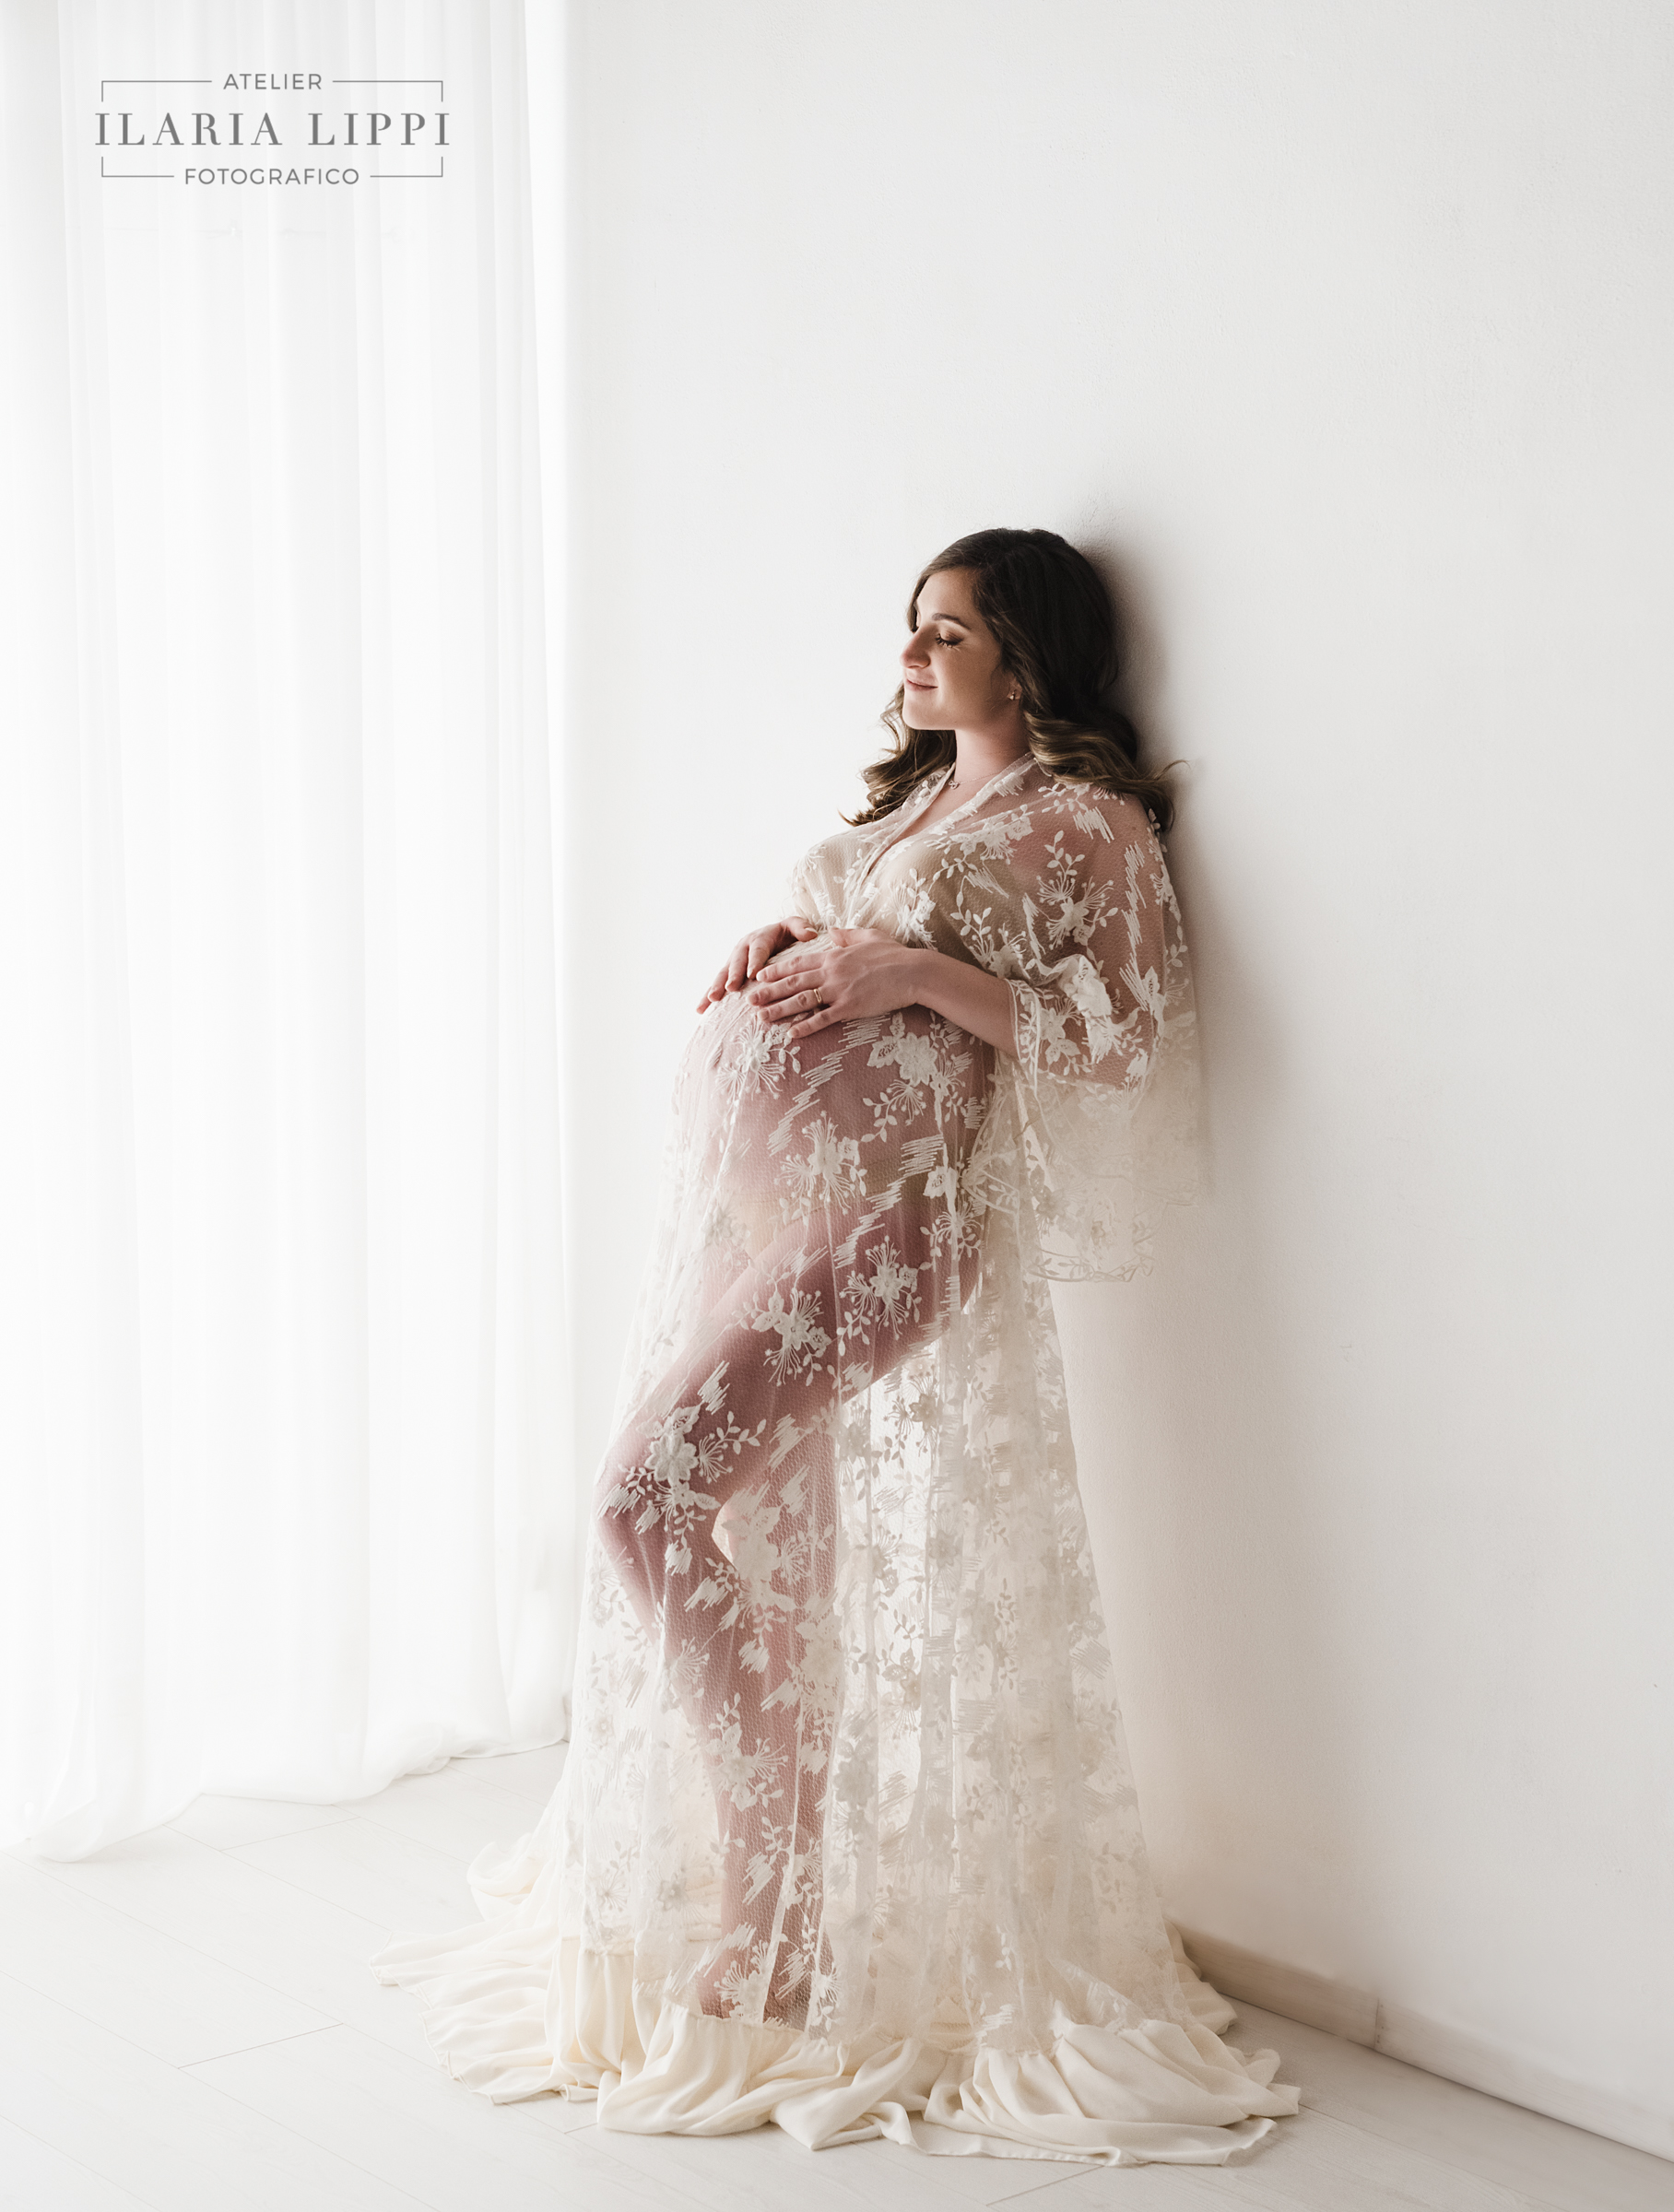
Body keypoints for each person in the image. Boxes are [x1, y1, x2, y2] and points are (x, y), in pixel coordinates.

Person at [371, 527, 1301, 2166]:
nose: (915, 653)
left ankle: (778, 1877)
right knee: (746, 1544)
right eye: (913, 625)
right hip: (766, 1217)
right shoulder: (907, 812)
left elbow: (1129, 1042)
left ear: (1028, 654)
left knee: (644, 1500)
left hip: (887, 1228)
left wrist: (916, 971)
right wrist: (781, 950)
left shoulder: (1084, 824)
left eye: (951, 631)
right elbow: (846, 961)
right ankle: (775, 1881)